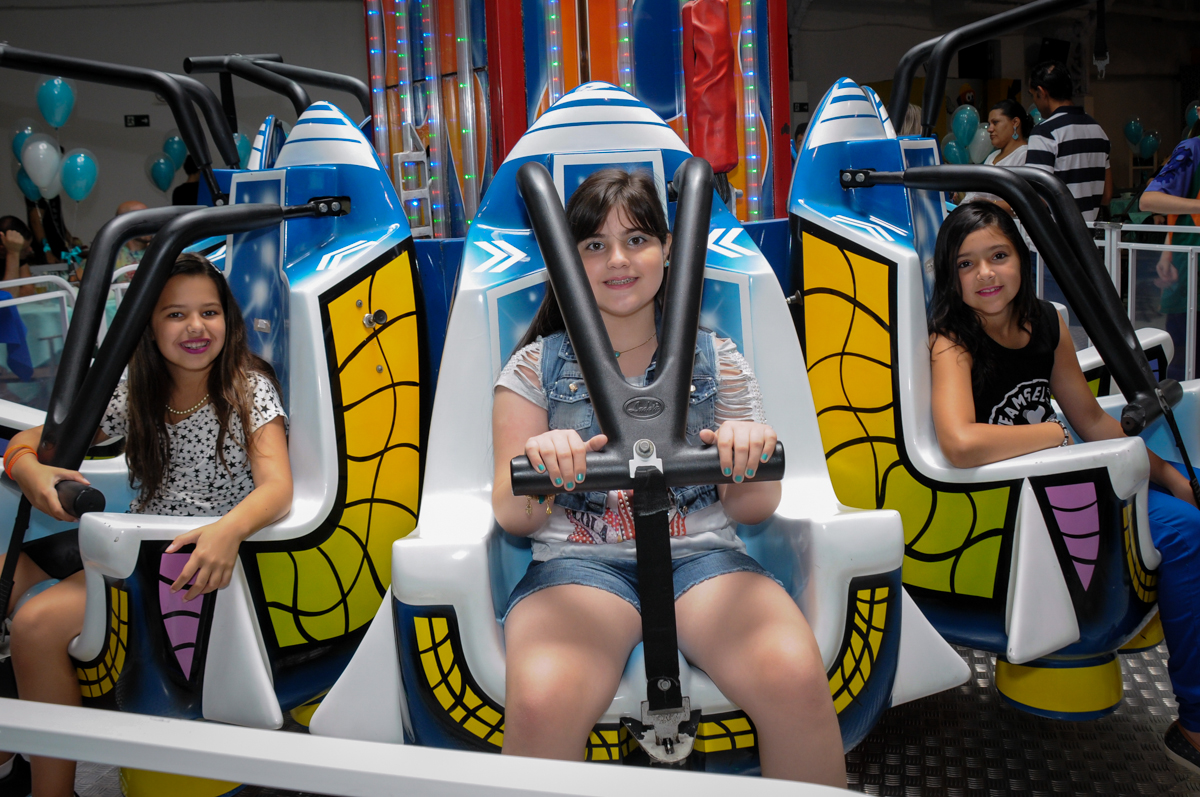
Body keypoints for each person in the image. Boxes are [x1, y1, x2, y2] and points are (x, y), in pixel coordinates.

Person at [490, 168, 845, 785]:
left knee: (793, 677)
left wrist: (746, 451)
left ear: (668, 249)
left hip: (702, 560)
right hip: (581, 567)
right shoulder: (532, 367)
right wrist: (544, 467)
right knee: (543, 701)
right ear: (567, 262)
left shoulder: (718, 359)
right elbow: (512, 515)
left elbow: (753, 508)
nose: (618, 259)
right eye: (594, 245)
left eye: (636, 239)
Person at [0, 253, 293, 797]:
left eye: (209, 312)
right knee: (4, 574)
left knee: (36, 625)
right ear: (149, 326)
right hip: (134, 535)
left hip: (179, 551)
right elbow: (32, 441)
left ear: (227, 319)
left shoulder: (245, 387)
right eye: (175, 315)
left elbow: (277, 487)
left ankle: (52, 788)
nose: (196, 327)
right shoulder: (136, 387)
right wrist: (30, 472)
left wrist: (227, 531)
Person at [927, 201, 1200, 777]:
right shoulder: (951, 342)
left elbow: (1092, 420)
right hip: (1019, 503)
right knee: (1185, 536)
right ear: (950, 277)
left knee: (1184, 511)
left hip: (1070, 476)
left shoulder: (1046, 324)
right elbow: (958, 441)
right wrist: (1052, 434)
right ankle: (1195, 722)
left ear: (1020, 259)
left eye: (998, 256)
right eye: (966, 264)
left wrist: (1173, 477)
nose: (986, 275)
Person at [1139, 118, 1200, 381]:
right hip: (1192, 273)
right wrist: (1167, 252)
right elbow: (1149, 199)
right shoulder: (1193, 149)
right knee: (1186, 364)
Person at [1026, 61, 1112, 222]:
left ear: (1041, 92)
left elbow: (1037, 198)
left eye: (1033, 95)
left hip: (1053, 239)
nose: (1035, 103)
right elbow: (1106, 195)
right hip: (1086, 237)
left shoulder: (1044, 132)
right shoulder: (1098, 131)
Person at [961, 99, 1034, 213]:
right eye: (989, 124)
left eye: (995, 123)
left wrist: (990, 205)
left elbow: (1027, 201)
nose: (990, 129)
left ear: (1015, 122)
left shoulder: (1026, 155)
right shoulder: (992, 157)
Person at [112, 200, 152, 279]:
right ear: (124, 224)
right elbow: (82, 278)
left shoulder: (161, 251)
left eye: (150, 218)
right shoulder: (111, 255)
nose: (149, 223)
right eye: (142, 219)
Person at [0, 216, 35, 297]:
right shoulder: (14, 252)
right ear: (2, 249)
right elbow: (7, 298)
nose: (30, 250)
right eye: (24, 249)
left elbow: (28, 290)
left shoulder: (21, 256)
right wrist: (13, 253)